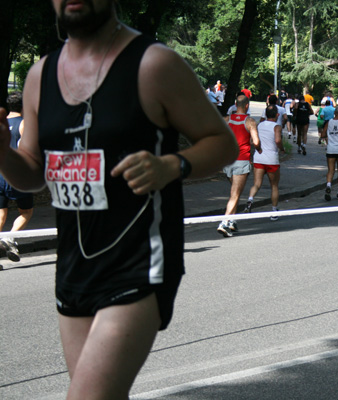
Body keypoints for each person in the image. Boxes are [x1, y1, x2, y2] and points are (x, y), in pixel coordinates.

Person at [0, 1, 238, 398]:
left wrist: (171, 165)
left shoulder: (153, 64)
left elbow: (222, 144)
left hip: (140, 261)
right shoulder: (40, 75)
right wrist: (3, 155)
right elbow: (31, 173)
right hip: (75, 265)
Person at [219, 94, 261, 237]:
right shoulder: (250, 121)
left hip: (228, 160)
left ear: (235, 105)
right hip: (241, 160)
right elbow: (256, 142)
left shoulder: (226, 120)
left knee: (234, 191)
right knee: (235, 194)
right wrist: (259, 148)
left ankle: (232, 221)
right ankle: (224, 222)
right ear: (247, 106)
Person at [0, 91, 34, 263]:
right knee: (26, 211)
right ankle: (10, 238)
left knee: (0, 212)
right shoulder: (24, 124)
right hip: (17, 175)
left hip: (0, 174)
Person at [243, 105, 284, 220]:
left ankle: (250, 199)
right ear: (277, 115)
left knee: (256, 184)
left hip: (259, 158)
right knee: (274, 186)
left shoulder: (259, 125)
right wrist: (282, 148)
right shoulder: (277, 127)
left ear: (265, 115)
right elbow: (277, 140)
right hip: (272, 159)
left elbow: (252, 141)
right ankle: (274, 211)